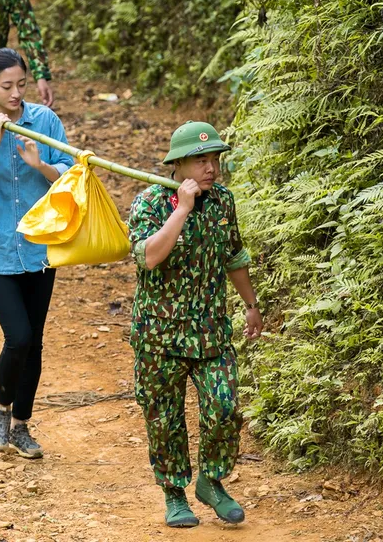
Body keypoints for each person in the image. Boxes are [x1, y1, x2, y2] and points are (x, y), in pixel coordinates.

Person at [127, 122, 264, 529]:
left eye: (215, 159)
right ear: (179, 163)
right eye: (201, 160)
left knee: (224, 407)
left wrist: (251, 305)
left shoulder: (223, 201)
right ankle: (174, 494)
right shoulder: (150, 202)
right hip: (159, 335)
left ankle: (211, 481)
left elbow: (233, 257)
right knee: (164, 418)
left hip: (210, 331)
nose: (211, 168)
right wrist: (182, 209)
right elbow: (149, 257)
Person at [0, 48, 74, 459]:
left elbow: (68, 173)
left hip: (41, 247)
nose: (15, 94)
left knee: (36, 342)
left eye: (21, 85)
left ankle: (21, 425)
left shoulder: (44, 121)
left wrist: (39, 163)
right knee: (18, 336)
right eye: (6, 86)